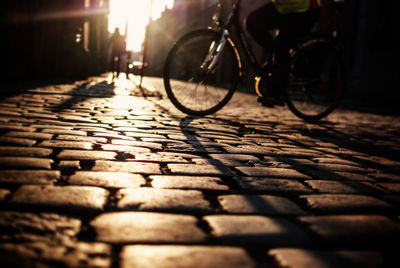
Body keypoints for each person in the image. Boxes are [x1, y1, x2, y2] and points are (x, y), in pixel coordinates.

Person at [245, 0, 322, 107]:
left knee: (282, 45)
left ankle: (277, 93)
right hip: (284, 7)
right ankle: (275, 62)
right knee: (252, 22)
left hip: (305, 10)